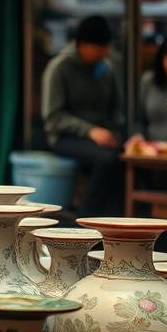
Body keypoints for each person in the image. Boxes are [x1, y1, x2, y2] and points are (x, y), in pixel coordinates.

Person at [42, 15, 124, 216]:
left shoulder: (106, 69)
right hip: (65, 137)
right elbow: (53, 117)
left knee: (125, 157)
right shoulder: (60, 67)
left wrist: (118, 132)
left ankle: (116, 219)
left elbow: (115, 110)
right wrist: (89, 131)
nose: (104, 53)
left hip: (101, 136)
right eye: (99, 48)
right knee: (106, 160)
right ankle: (85, 218)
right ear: (83, 45)